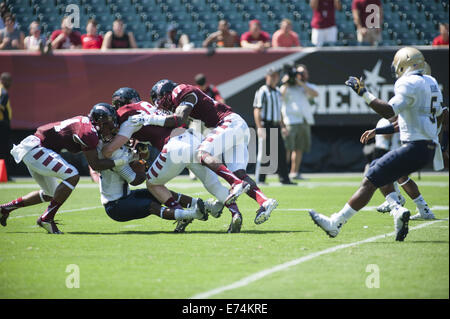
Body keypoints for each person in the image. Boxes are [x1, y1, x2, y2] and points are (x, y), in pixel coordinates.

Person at [309, 47, 447, 241]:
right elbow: (431, 117)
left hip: (415, 147)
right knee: (379, 169)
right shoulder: (431, 82)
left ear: (404, 64)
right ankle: (397, 210)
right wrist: (379, 131)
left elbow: (389, 111)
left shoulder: (408, 83)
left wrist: (364, 93)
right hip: (426, 147)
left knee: (370, 178)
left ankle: (335, 223)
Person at [128, 79, 279, 230]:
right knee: (239, 173)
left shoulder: (179, 90)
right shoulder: (180, 98)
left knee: (202, 153)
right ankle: (265, 202)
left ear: (164, 93)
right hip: (237, 127)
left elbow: (178, 119)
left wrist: (149, 118)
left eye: (159, 99)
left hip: (228, 123)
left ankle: (236, 184)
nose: (160, 104)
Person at [103, 88, 230, 230]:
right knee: (208, 183)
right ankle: (220, 206)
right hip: (190, 138)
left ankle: (183, 214)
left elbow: (109, 152)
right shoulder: (147, 107)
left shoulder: (128, 118)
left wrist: (116, 156)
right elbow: (145, 148)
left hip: (175, 145)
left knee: (153, 184)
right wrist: (139, 152)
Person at [0, 103, 130, 234]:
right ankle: (47, 218)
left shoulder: (88, 126)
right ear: (100, 122)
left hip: (34, 148)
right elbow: (95, 164)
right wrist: (121, 161)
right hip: (36, 149)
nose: (113, 126)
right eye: (110, 123)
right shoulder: (88, 133)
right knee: (72, 175)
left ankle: (5, 208)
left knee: (51, 193)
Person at [95, 136, 207, 233]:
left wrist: (142, 154)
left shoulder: (117, 151)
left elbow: (143, 157)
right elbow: (135, 180)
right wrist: (142, 168)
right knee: (152, 206)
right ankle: (191, 214)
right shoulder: (116, 158)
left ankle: (205, 206)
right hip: (116, 206)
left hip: (126, 196)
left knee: (162, 193)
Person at [360, 116, 437, 220]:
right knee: (400, 177)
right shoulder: (395, 117)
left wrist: (380, 130)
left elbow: (389, 134)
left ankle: (396, 204)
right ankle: (421, 208)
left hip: (396, 149)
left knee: (381, 175)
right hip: (402, 148)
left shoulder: (398, 117)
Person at [253, 68, 295, 185]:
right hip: (266, 124)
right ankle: (260, 179)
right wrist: (259, 127)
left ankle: (284, 179)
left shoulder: (277, 91)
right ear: (267, 77)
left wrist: (283, 126)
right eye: (271, 76)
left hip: (276, 125)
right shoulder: (262, 91)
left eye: (275, 76)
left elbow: (279, 111)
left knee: (281, 152)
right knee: (264, 153)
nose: (273, 78)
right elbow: (257, 110)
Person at [280, 64, 318, 180]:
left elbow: (315, 94)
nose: (301, 75)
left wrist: (300, 82)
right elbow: (280, 95)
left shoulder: (306, 86)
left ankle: (294, 172)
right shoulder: (287, 87)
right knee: (288, 148)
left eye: (303, 73)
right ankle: (283, 173)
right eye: (299, 73)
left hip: (304, 120)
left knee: (299, 148)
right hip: (290, 121)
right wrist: (286, 82)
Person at [0, 72, 13, 180]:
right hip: (2, 125)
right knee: (4, 150)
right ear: (4, 80)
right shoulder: (3, 92)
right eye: (9, 81)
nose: (10, 84)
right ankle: (6, 175)